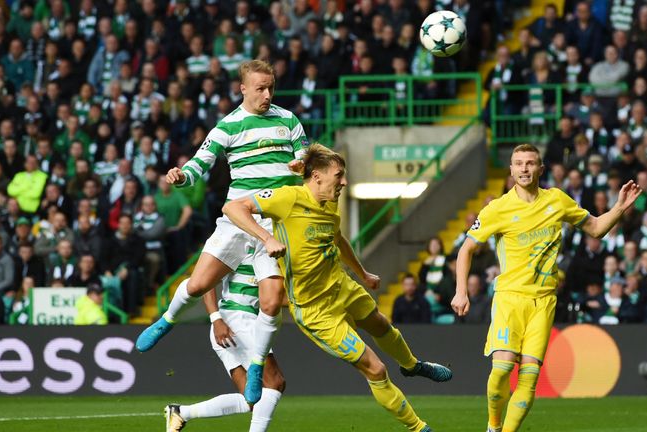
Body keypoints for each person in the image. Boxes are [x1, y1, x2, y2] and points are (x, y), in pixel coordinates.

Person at [223, 144, 451, 432]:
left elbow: (338, 238)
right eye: (339, 176)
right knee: (376, 369)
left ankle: (412, 366)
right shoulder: (288, 198)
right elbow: (232, 207)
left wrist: (363, 273)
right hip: (316, 310)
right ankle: (419, 428)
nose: (344, 182)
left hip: (342, 286)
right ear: (316, 176)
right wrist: (266, 238)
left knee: (382, 325)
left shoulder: (330, 202)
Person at [136, 60, 308, 404]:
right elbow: (199, 165)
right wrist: (181, 176)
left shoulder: (288, 119)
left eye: (270, 87)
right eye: (260, 88)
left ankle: (257, 364)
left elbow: (305, 153)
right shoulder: (227, 127)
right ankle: (167, 320)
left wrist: (301, 162)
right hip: (239, 218)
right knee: (199, 284)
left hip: (276, 224)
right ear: (242, 89)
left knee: (272, 303)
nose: (267, 94)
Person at [451, 144, 641, 432]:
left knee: (528, 378)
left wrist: (619, 207)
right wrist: (461, 291)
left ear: (541, 169)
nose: (524, 168)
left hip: (543, 302)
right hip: (509, 299)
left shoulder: (557, 200)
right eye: (518, 163)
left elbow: (596, 228)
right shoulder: (497, 209)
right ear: (511, 170)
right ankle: (492, 426)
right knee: (502, 368)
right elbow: (465, 250)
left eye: (530, 163)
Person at [164, 259, 285, 432]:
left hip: (238, 323)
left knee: (251, 400)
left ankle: (181, 412)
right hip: (237, 321)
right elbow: (206, 281)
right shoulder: (238, 242)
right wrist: (216, 319)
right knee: (274, 382)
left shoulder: (272, 248)